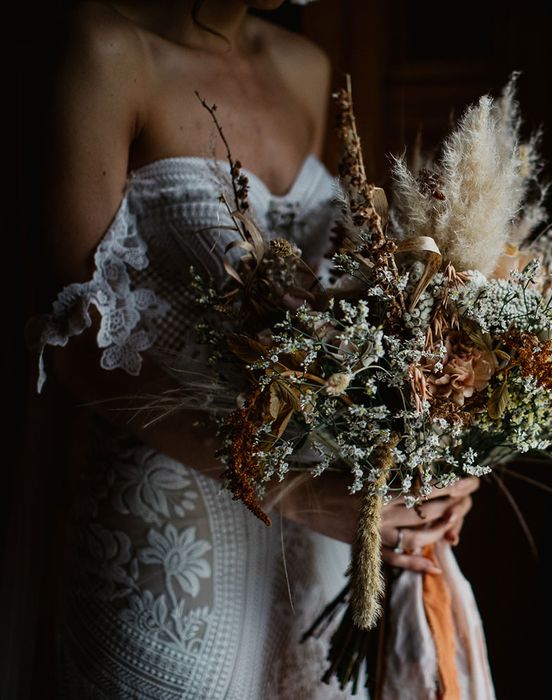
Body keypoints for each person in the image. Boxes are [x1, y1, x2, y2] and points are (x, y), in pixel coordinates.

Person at [17, 0, 487, 697]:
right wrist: (293, 492)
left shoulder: (303, 67)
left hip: (317, 547)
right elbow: (71, 347)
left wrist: (434, 463)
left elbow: (323, 310)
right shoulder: (107, 52)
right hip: (171, 532)